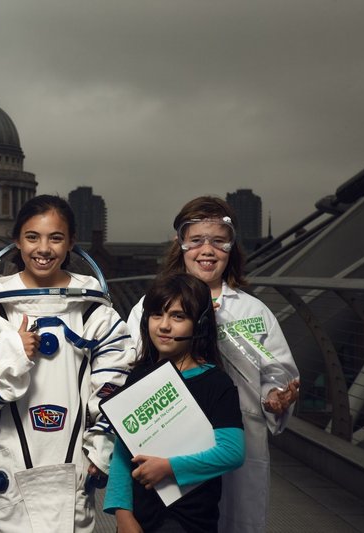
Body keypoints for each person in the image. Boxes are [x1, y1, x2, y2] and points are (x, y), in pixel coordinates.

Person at [0, 194, 133, 532]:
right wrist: (13, 352)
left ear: (71, 243)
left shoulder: (93, 312)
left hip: (72, 462)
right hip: (12, 461)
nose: (43, 248)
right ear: (17, 241)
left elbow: (115, 381)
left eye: (55, 238)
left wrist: (101, 444)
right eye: (32, 237)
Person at [126, 196, 300, 533]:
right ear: (181, 245)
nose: (207, 249)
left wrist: (274, 398)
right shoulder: (148, 307)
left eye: (218, 241)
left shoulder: (253, 312)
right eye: (196, 240)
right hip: (169, 448)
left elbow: (276, 374)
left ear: (231, 248)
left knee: (236, 523)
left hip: (238, 445)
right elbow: (129, 371)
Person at [104, 272, 245, 533]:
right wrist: (122, 514)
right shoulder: (138, 377)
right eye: (157, 315)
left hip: (190, 520)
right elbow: (122, 454)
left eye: (178, 316)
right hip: (139, 516)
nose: (164, 326)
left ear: (199, 325)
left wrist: (169, 468)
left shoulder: (216, 383)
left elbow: (232, 453)